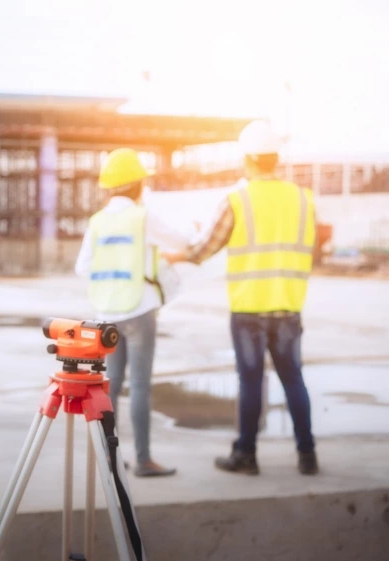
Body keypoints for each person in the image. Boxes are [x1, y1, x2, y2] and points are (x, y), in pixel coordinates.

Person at [163, 120, 318, 476]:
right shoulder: (303, 198)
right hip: (289, 305)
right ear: (275, 158)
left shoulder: (238, 200)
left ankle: (246, 455)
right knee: (294, 380)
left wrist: (175, 255)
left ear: (248, 158)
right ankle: (307, 454)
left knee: (250, 382)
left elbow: (204, 249)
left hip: (249, 308)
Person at [75, 148, 193, 477]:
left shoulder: (97, 222)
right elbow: (183, 240)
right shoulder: (142, 217)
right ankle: (143, 460)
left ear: (110, 188)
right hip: (139, 310)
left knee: (111, 385)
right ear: (138, 185)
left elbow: (81, 266)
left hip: (106, 312)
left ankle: (108, 458)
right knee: (140, 385)